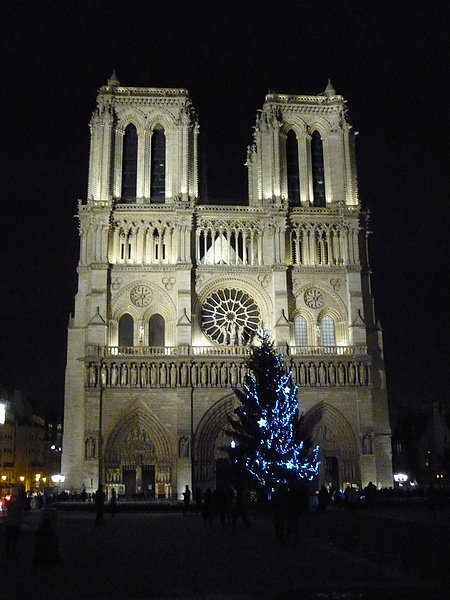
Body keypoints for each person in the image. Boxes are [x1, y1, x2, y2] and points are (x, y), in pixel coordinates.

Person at [5, 486, 25, 559]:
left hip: (16, 522)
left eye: (15, 491)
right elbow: (6, 509)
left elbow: (23, 509)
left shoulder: (20, 500)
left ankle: (13, 553)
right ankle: (7, 553)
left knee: (15, 539)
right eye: (13, 490)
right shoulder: (9, 499)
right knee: (8, 539)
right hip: (9, 521)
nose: (13, 492)